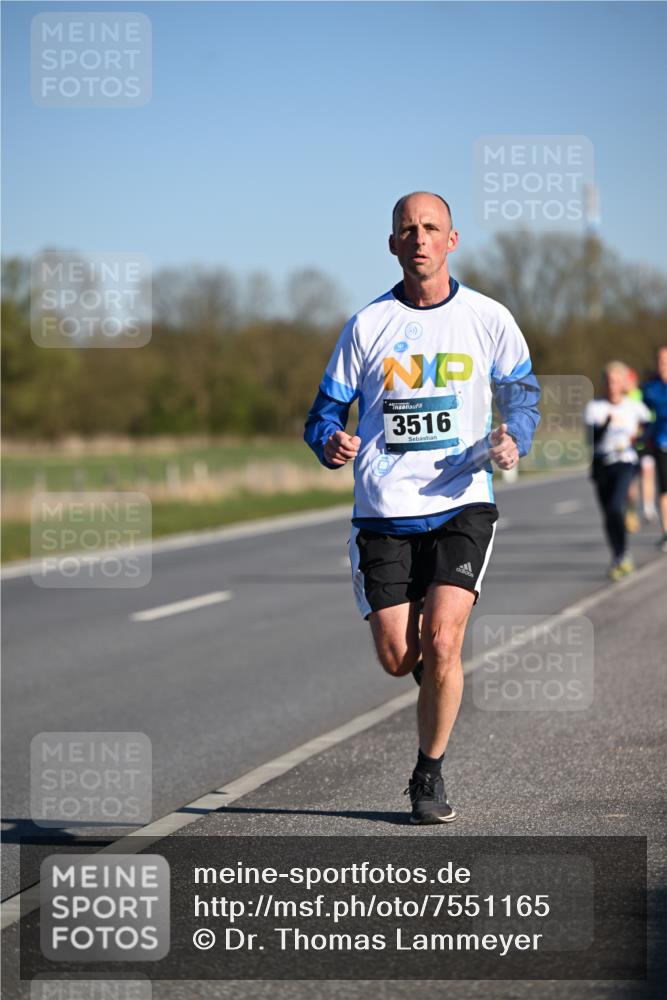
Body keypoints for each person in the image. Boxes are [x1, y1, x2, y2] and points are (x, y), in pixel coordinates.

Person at [304, 192, 540, 824]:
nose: (419, 238)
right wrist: (331, 439)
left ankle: (427, 773)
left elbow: (523, 392)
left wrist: (515, 434)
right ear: (392, 244)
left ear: (452, 239)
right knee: (399, 657)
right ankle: (438, 680)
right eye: (407, 229)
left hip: (463, 499)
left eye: (430, 227)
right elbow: (324, 412)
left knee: (442, 638)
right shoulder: (366, 326)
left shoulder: (488, 317)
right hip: (384, 508)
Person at [585, 362, 651, 580]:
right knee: (608, 514)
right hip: (602, 464)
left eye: (616, 381)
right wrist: (605, 425)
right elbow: (591, 440)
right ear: (604, 383)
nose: (612, 385)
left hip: (625, 462)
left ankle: (622, 555)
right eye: (608, 381)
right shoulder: (595, 407)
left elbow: (648, 425)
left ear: (623, 383)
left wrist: (638, 441)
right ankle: (619, 555)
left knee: (615, 506)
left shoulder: (633, 406)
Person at [641, 346, 667, 551]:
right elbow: (641, 414)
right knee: (665, 490)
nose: (663, 364)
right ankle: (666, 533)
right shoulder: (650, 389)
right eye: (659, 360)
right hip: (661, 443)